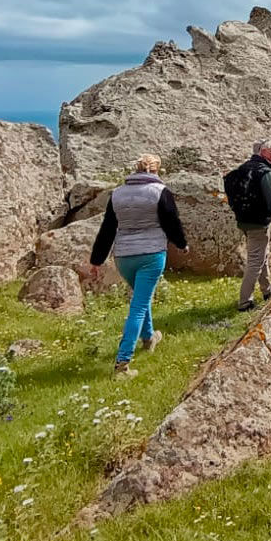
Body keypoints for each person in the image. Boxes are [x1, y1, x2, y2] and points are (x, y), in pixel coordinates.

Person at [89, 153, 188, 379]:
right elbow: (172, 222)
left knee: (140, 298)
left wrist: (97, 260)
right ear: (156, 170)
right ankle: (122, 363)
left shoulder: (117, 194)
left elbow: (107, 229)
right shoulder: (160, 191)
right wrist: (182, 244)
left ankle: (149, 338)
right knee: (139, 305)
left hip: (124, 256)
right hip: (152, 254)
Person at [223, 139, 271, 311]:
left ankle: (267, 290)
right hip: (257, 222)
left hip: (244, 221)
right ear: (263, 152)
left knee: (261, 255)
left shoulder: (242, 169)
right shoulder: (265, 172)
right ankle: (245, 302)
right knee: (255, 262)